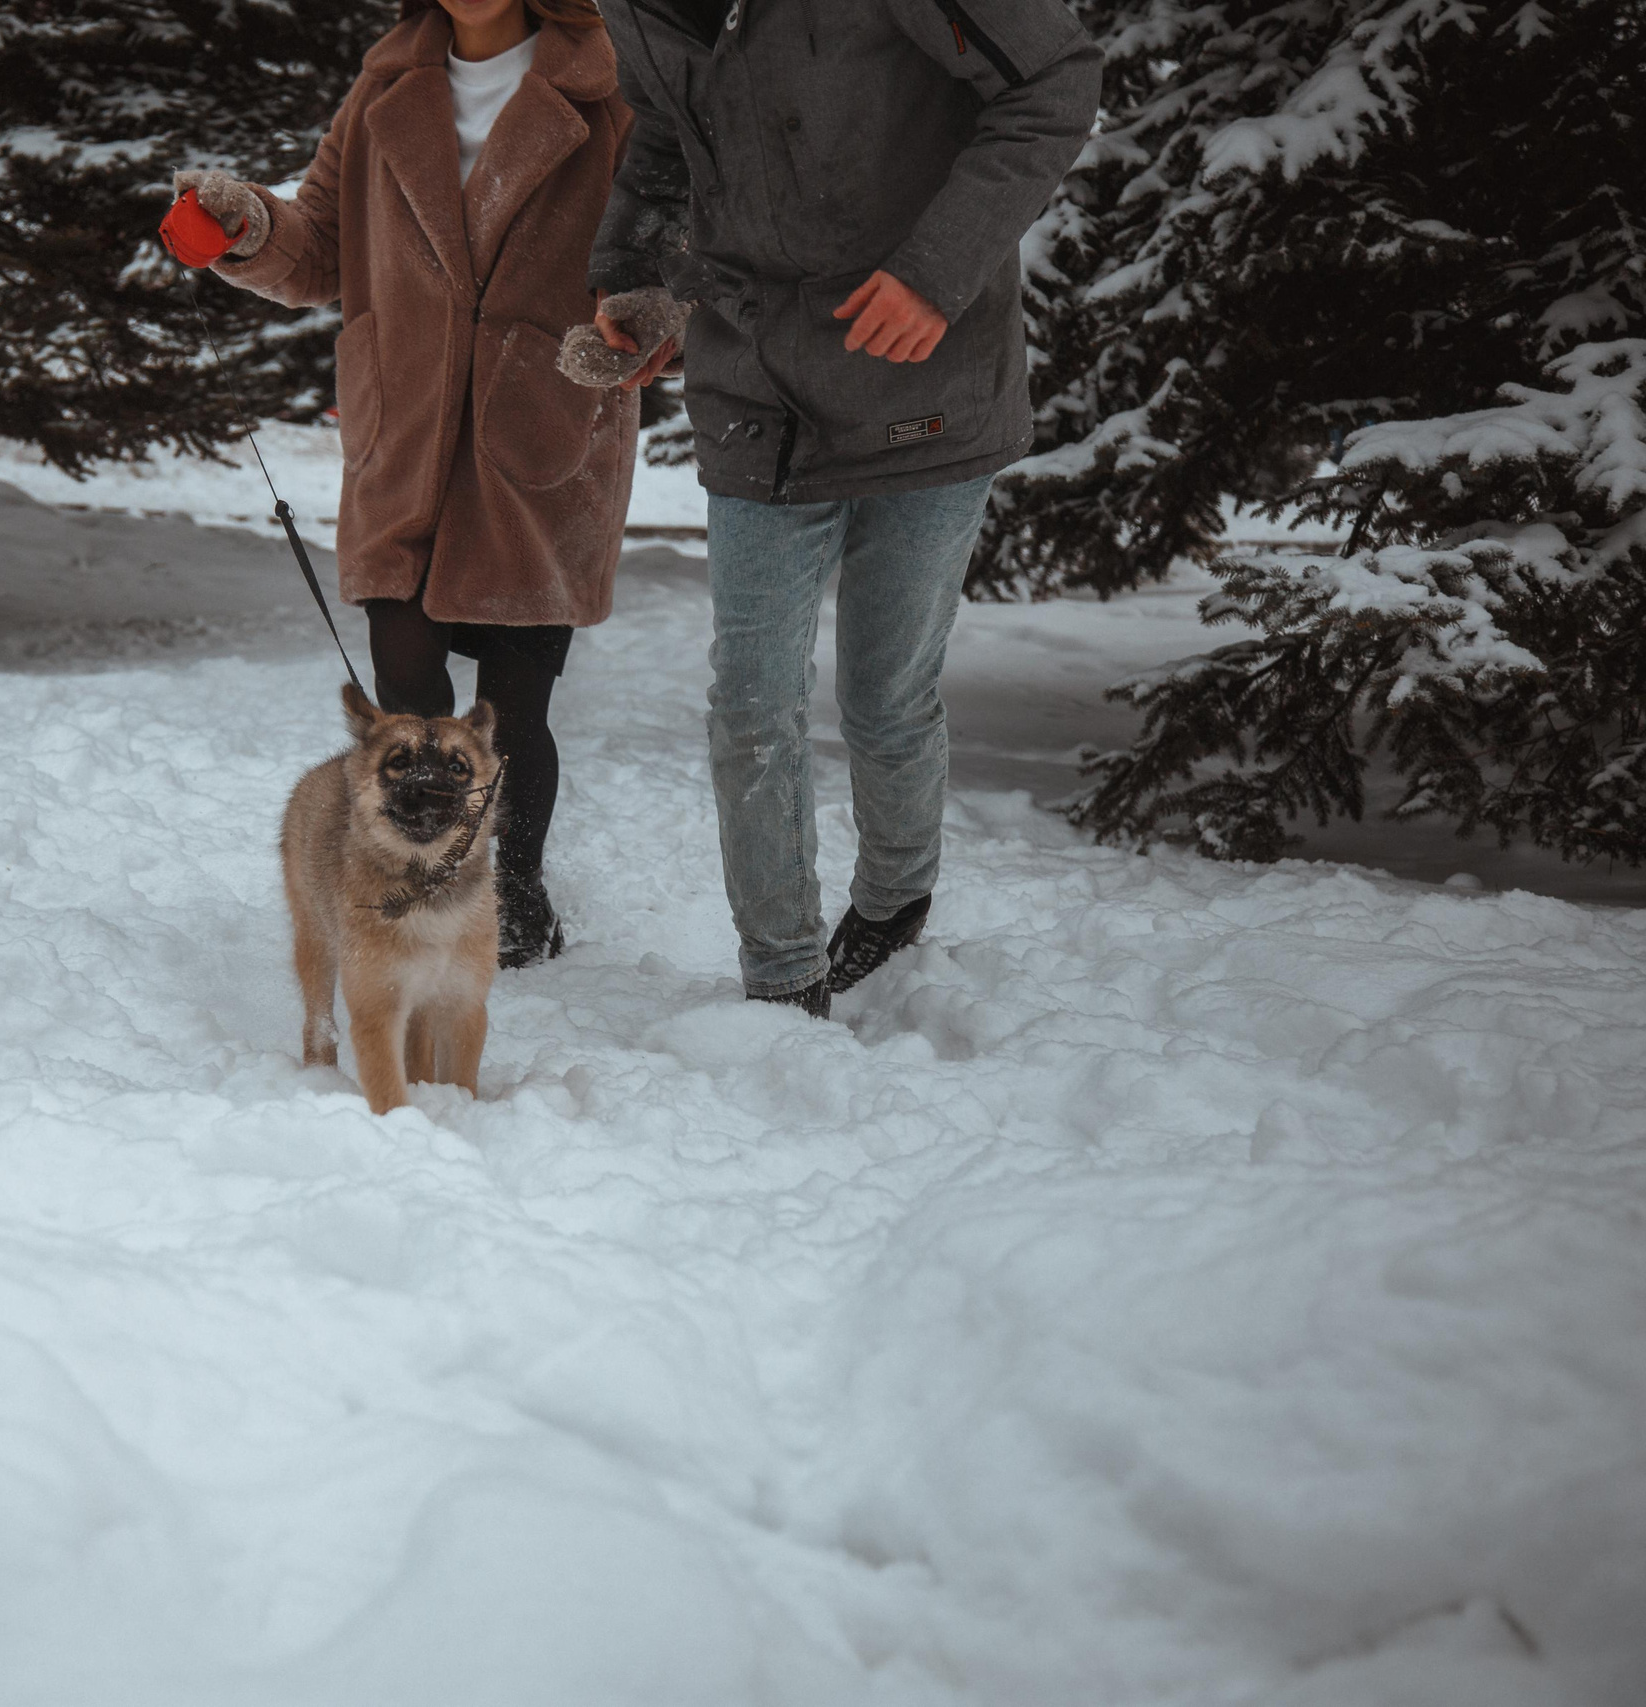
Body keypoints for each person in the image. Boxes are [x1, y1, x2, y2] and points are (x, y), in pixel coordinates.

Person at [584, 0, 1102, 1015]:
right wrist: (632, 276)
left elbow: (1053, 81)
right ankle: (781, 980)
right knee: (751, 704)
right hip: (752, 381)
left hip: (925, 380)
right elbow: (665, 129)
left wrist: (933, 274)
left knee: (885, 695)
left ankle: (894, 908)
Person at [175, 0, 637, 968]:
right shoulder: (386, 85)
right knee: (408, 693)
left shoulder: (606, 89)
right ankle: (426, 888)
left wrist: (639, 325)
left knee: (511, 715)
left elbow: (660, 256)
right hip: (406, 442)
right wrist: (249, 226)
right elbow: (315, 250)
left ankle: (514, 895)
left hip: (538, 444)